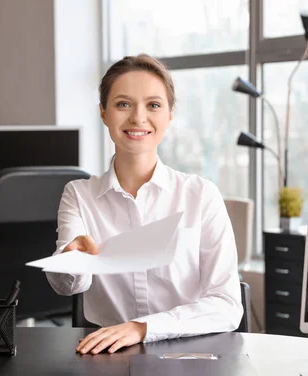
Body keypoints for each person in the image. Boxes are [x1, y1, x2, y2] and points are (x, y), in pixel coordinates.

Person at [46, 53, 243, 355]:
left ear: (169, 115)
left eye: (153, 105)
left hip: (191, 354)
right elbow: (67, 286)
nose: (138, 118)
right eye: (123, 104)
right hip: (108, 355)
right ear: (103, 113)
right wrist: (72, 259)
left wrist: (142, 328)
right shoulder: (79, 194)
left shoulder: (201, 195)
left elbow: (227, 306)